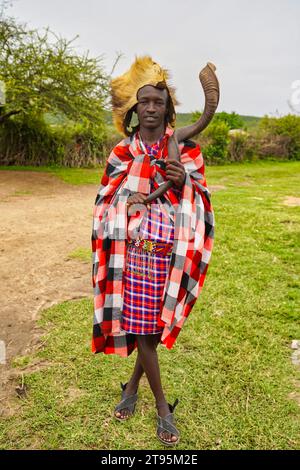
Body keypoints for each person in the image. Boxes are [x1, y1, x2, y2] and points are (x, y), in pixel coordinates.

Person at [91, 56, 215, 446]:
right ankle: (163, 407)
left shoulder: (186, 149)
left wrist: (182, 182)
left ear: (168, 109)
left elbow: (200, 200)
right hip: (133, 253)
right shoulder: (122, 153)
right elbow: (107, 198)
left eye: (157, 102)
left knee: (154, 326)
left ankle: (131, 386)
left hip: (170, 253)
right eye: (144, 102)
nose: (150, 108)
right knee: (143, 327)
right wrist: (130, 202)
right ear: (134, 110)